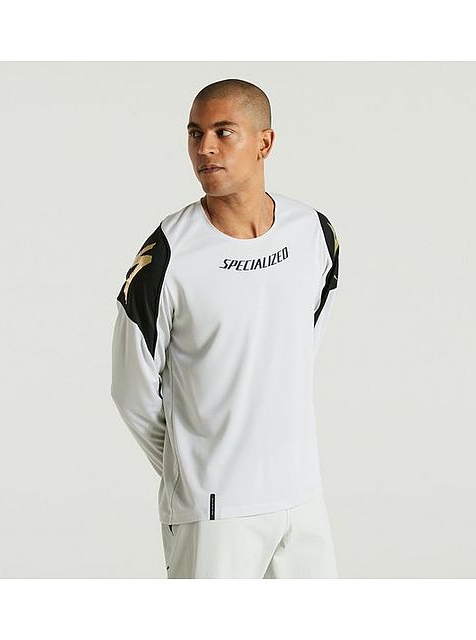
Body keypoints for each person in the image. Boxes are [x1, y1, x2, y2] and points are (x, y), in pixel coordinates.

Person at [110, 78, 341, 578]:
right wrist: (194, 467)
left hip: (302, 495)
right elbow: (131, 391)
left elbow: (300, 346)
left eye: (223, 132)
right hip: (215, 509)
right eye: (195, 133)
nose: (205, 148)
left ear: (265, 142)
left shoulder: (314, 235)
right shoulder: (167, 254)